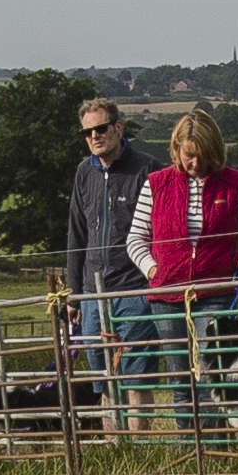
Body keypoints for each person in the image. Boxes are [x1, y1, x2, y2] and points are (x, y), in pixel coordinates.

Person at [118, 109, 238, 436]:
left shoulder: (237, 184)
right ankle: (191, 447)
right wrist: (151, 267)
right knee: (180, 379)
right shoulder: (156, 184)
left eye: (200, 156)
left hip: (216, 295)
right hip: (166, 298)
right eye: (187, 155)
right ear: (177, 149)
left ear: (213, 151)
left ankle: (216, 451)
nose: (193, 163)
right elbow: (136, 239)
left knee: (210, 377)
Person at [63, 96, 156, 427]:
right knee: (103, 381)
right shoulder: (83, 172)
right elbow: (77, 231)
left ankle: (140, 452)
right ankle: (115, 449)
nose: (94, 137)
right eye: (87, 132)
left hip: (135, 288)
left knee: (135, 379)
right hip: (91, 292)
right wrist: (72, 290)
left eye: (101, 129)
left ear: (119, 128)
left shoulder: (148, 170)